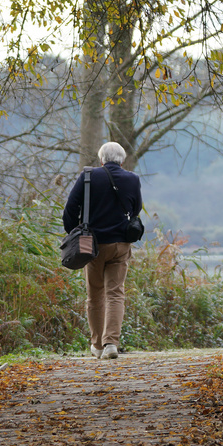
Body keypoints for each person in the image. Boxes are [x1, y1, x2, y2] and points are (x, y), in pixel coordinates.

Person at [62, 142, 142, 359]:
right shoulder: (132, 179)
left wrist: (74, 233)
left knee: (94, 294)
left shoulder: (88, 177)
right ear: (122, 160)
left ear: (101, 160)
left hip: (92, 243)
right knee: (115, 293)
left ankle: (97, 345)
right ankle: (111, 344)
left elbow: (70, 209)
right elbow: (135, 209)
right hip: (121, 244)